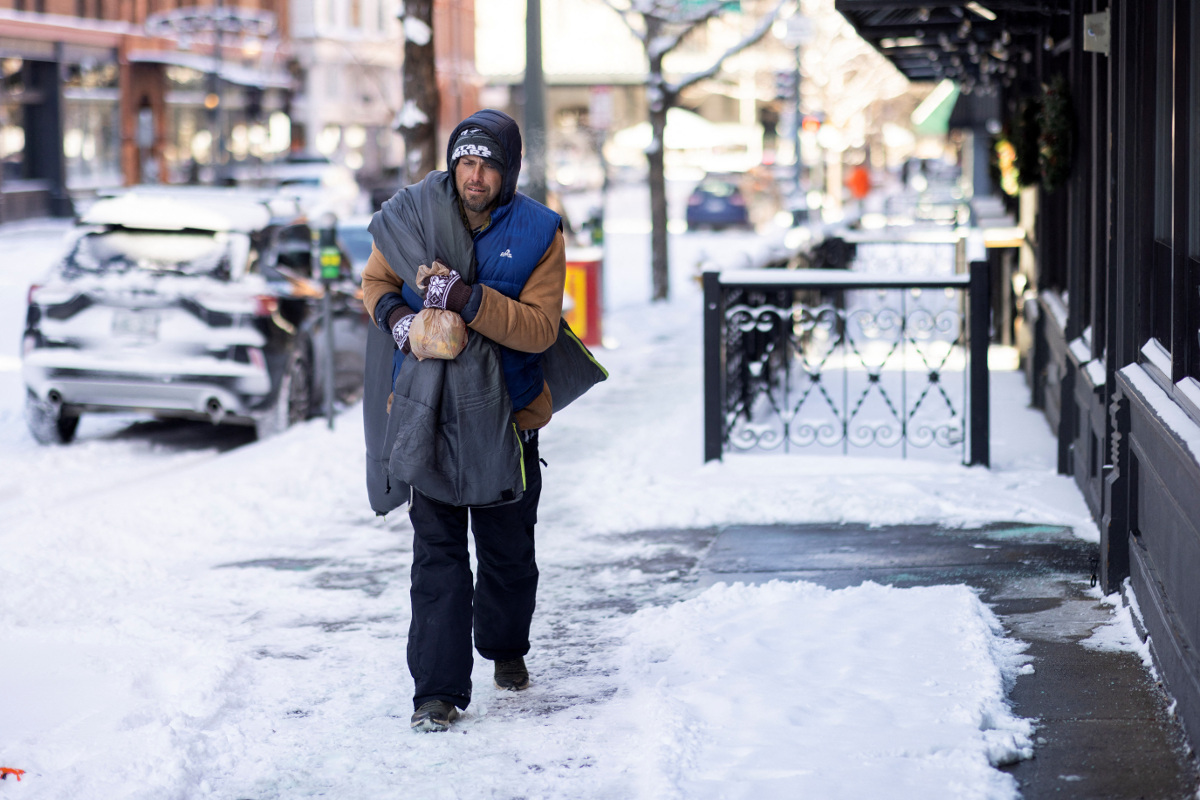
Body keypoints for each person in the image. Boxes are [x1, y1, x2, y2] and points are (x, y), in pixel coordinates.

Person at [360, 109, 568, 733]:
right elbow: (376, 283)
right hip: (429, 414)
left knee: (507, 557)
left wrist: (468, 301)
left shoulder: (538, 231)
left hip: (506, 420)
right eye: (466, 161)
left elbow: (538, 329)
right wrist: (399, 319)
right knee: (438, 558)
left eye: (488, 165)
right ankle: (437, 692)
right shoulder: (412, 214)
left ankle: (506, 648)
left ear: (508, 172)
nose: (474, 175)